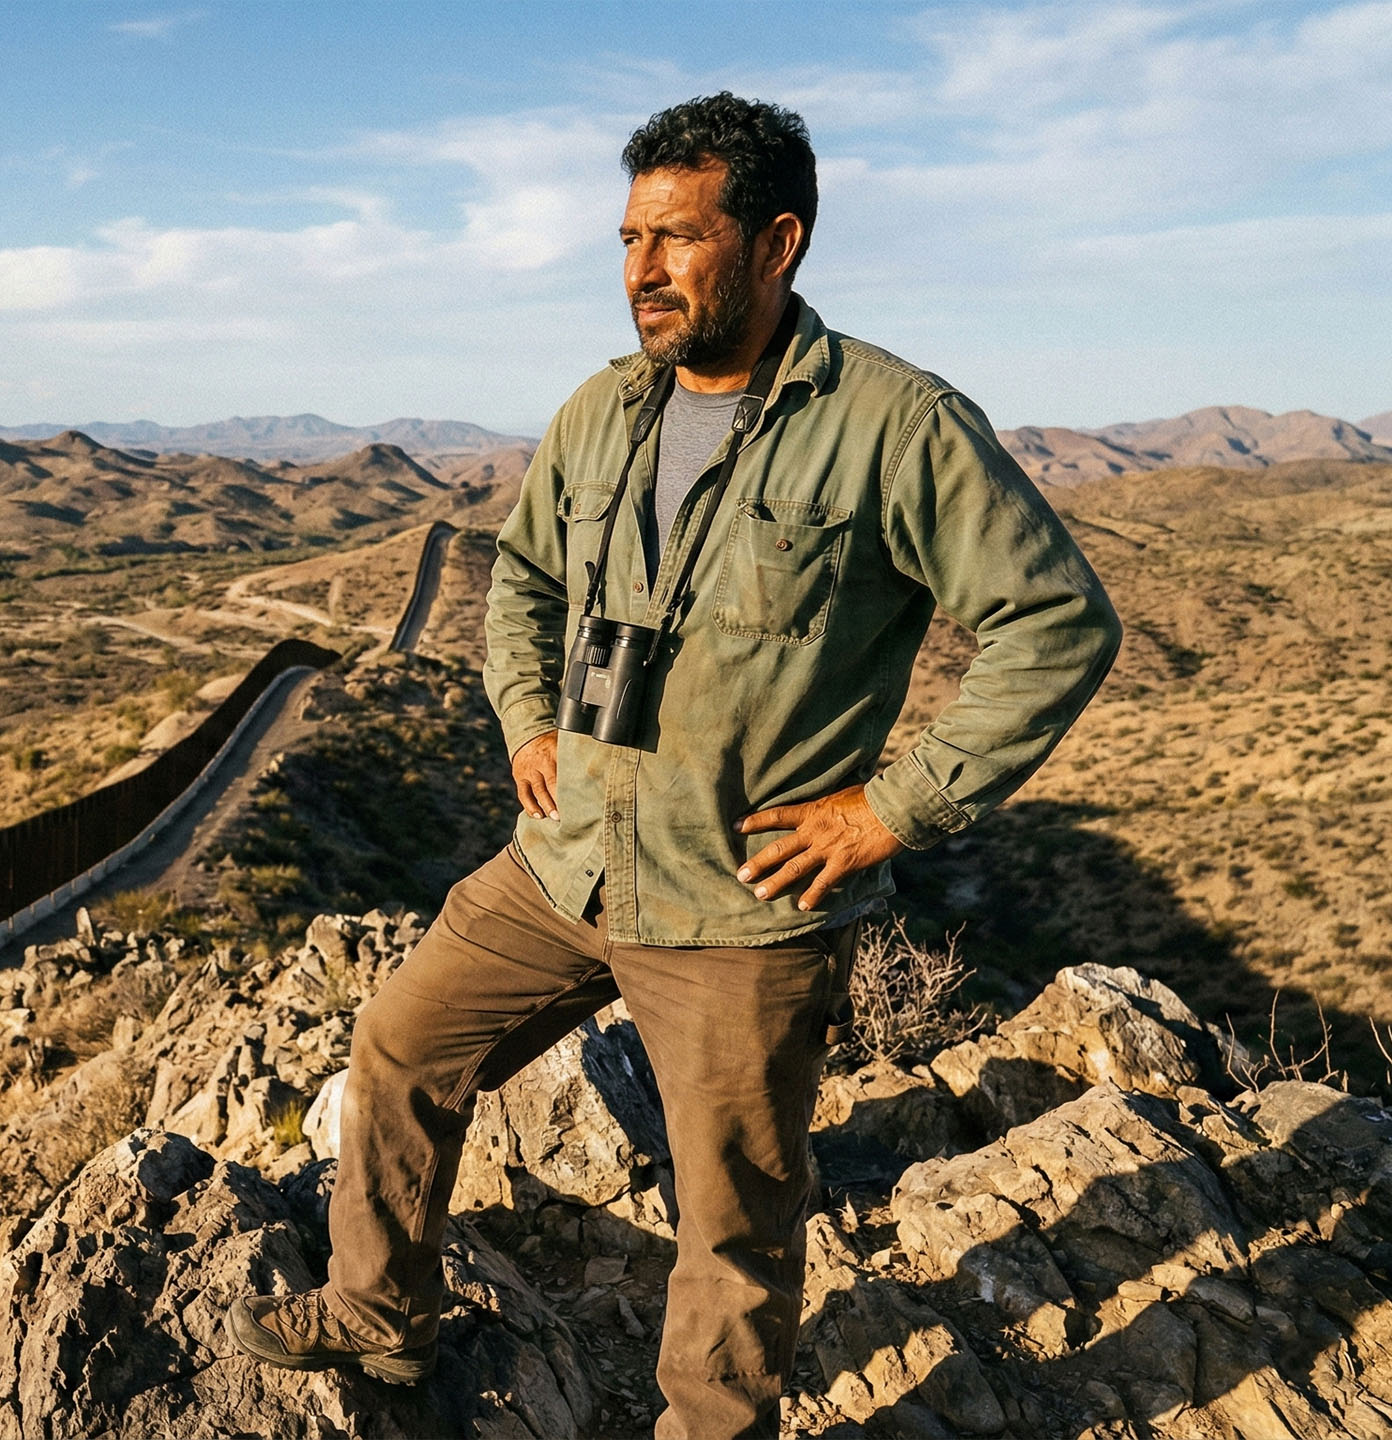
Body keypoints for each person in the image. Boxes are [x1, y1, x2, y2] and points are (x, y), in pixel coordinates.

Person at [226, 92, 1121, 1438]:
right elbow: (521, 575)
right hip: (569, 854)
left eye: (678, 238)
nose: (642, 267)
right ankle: (380, 1315)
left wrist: (893, 808)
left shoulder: (893, 423)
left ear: (777, 242)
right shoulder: (605, 411)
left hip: (738, 903)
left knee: (733, 1224)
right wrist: (527, 719)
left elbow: (1057, 624)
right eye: (629, 237)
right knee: (402, 1043)